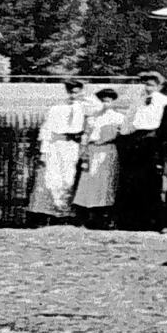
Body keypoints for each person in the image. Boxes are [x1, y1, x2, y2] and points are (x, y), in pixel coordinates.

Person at [119, 71, 167, 231]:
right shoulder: (138, 101)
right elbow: (128, 123)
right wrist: (127, 137)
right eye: (146, 84)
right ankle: (137, 220)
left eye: (151, 85)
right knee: (136, 181)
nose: (148, 88)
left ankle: (157, 221)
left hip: (154, 142)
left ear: (159, 86)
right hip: (137, 142)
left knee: (154, 181)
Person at [28, 80, 87, 224]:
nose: (74, 95)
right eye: (71, 92)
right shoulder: (57, 109)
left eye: (77, 92)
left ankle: (64, 211)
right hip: (56, 145)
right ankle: (51, 212)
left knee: (69, 179)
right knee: (53, 179)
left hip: (72, 146)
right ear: (67, 92)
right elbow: (46, 130)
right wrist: (44, 151)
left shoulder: (84, 109)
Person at [73, 89, 125, 228]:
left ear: (113, 102)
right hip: (93, 151)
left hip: (108, 151)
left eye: (108, 101)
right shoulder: (92, 118)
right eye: (103, 101)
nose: (105, 103)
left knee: (106, 183)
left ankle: (105, 216)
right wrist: (83, 154)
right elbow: (85, 136)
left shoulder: (118, 117)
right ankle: (88, 214)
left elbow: (122, 135)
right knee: (89, 182)